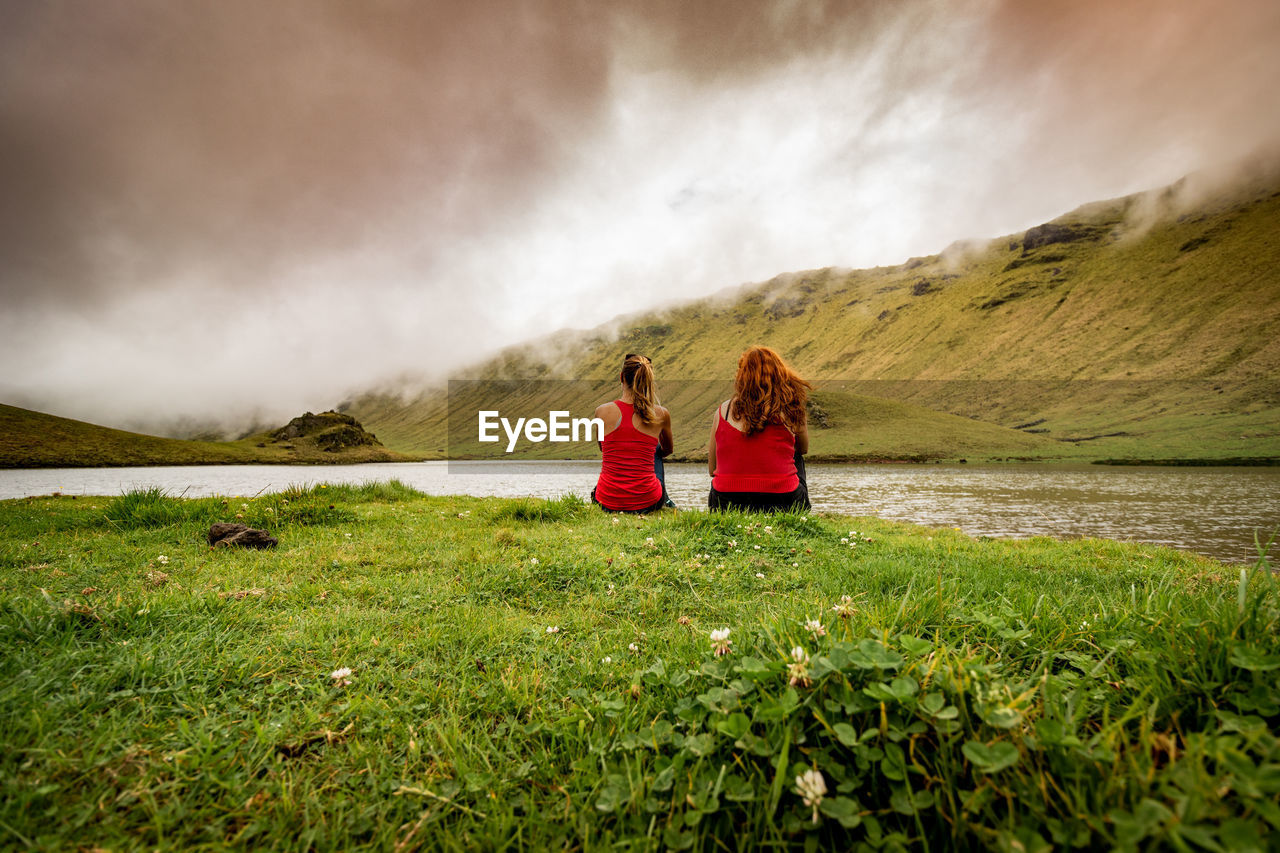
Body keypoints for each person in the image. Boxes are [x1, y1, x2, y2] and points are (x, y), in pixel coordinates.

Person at [707, 346, 811, 512]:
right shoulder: (791, 408)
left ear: (741, 376)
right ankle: (795, 512)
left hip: (726, 501)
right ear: (780, 374)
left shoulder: (723, 411)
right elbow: (803, 448)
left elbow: (712, 469)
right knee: (796, 454)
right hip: (782, 500)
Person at [591, 353, 676, 513]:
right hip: (648, 502)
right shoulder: (661, 413)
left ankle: (613, 492)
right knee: (655, 449)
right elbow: (668, 450)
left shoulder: (601, 411)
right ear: (648, 379)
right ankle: (666, 500)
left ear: (621, 377)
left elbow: (603, 448)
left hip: (606, 501)